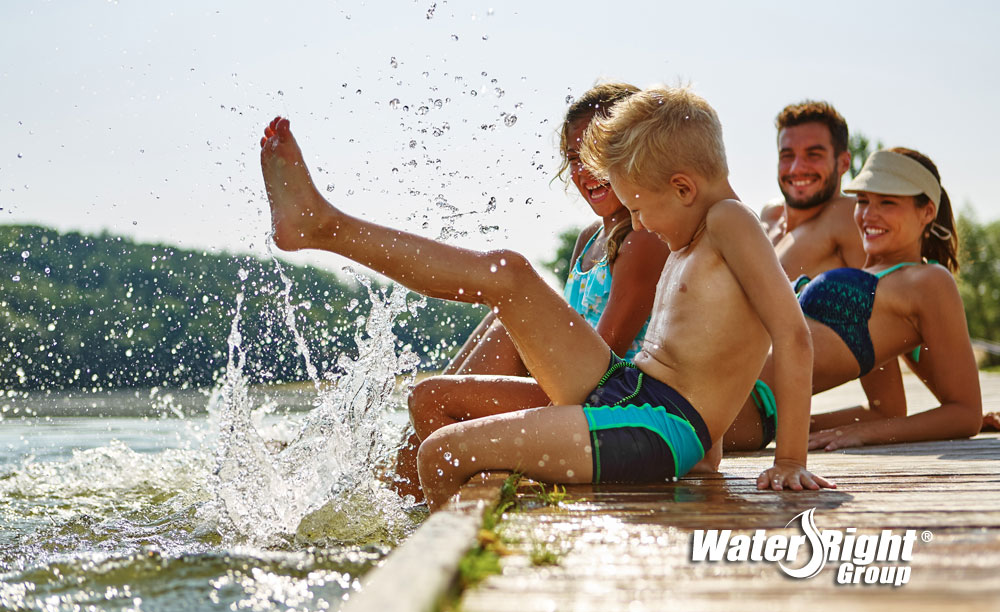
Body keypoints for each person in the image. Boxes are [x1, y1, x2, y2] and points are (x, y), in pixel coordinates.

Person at [260, 86, 834, 511]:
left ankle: (440, 586)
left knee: (441, 453)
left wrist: (789, 462)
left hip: (657, 425)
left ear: (683, 187)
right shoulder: (695, 231)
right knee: (509, 273)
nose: (638, 223)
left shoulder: (731, 221)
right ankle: (323, 226)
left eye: (639, 207)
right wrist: (709, 453)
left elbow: (791, 334)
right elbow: (705, 347)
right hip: (632, 390)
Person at [397, 83, 670, 501]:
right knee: (501, 321)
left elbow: (603, 363)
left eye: (599, 154)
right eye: (574, 159)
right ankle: (399, 500)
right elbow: (559, 339)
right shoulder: (588, 240)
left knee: (432, 395)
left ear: (636, 150)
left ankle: (421, 520)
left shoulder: (643, 239)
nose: (584, 171)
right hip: (575, 390)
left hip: (612, 405)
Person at [726, 148, 983, 452]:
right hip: (729, 391)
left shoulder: (929, 281)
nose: (868, 214)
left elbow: (966, 414)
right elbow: (885, 409)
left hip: (740, 404)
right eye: (863, 201)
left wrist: (866, 435)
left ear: (927, 211)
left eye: (887, 202)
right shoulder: (874, 284)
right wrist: (805, 426)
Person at [761, 100, 866, 278]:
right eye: (787, 156)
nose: (797, 168)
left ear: (844, 163)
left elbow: (888, 298)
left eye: (813, 155)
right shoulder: (770, 215)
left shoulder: (850, 216)